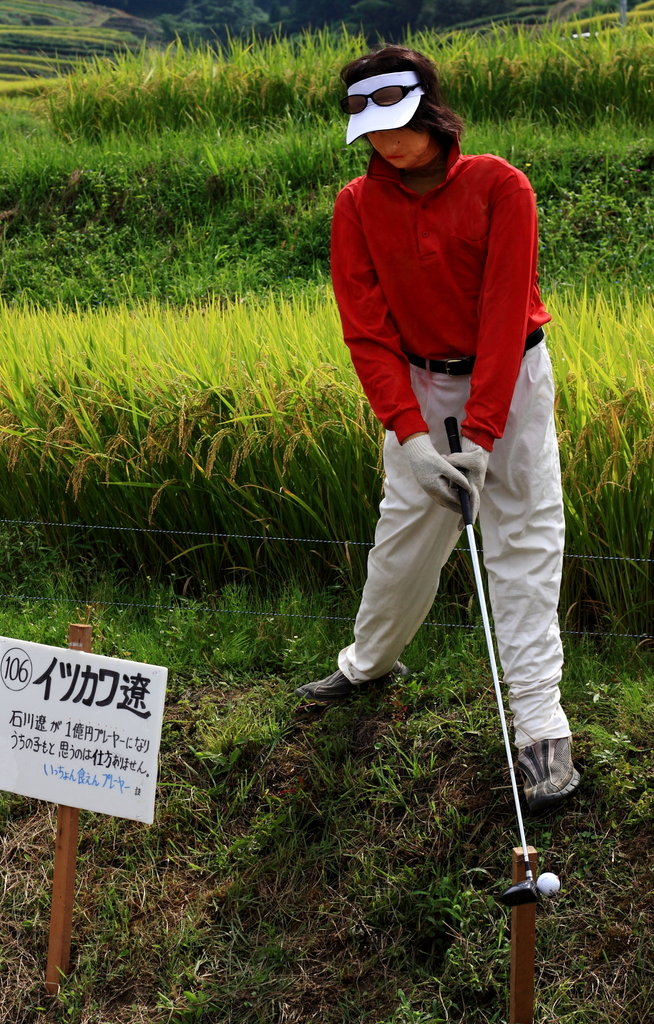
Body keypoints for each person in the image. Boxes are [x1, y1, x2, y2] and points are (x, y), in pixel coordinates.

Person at [294, 45, 580, 813]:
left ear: (429, 109)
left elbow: (500, 314)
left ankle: (540, 727)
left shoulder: (499, 186)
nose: (386, 142)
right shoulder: (356, 206)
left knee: (521, 537)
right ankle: (369, 663)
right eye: (370, 129)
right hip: (418, 384)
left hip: (509, 378)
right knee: (404, 534)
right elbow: (366, 331)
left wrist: (482, 435)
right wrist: (413, 436)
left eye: (396, 122)